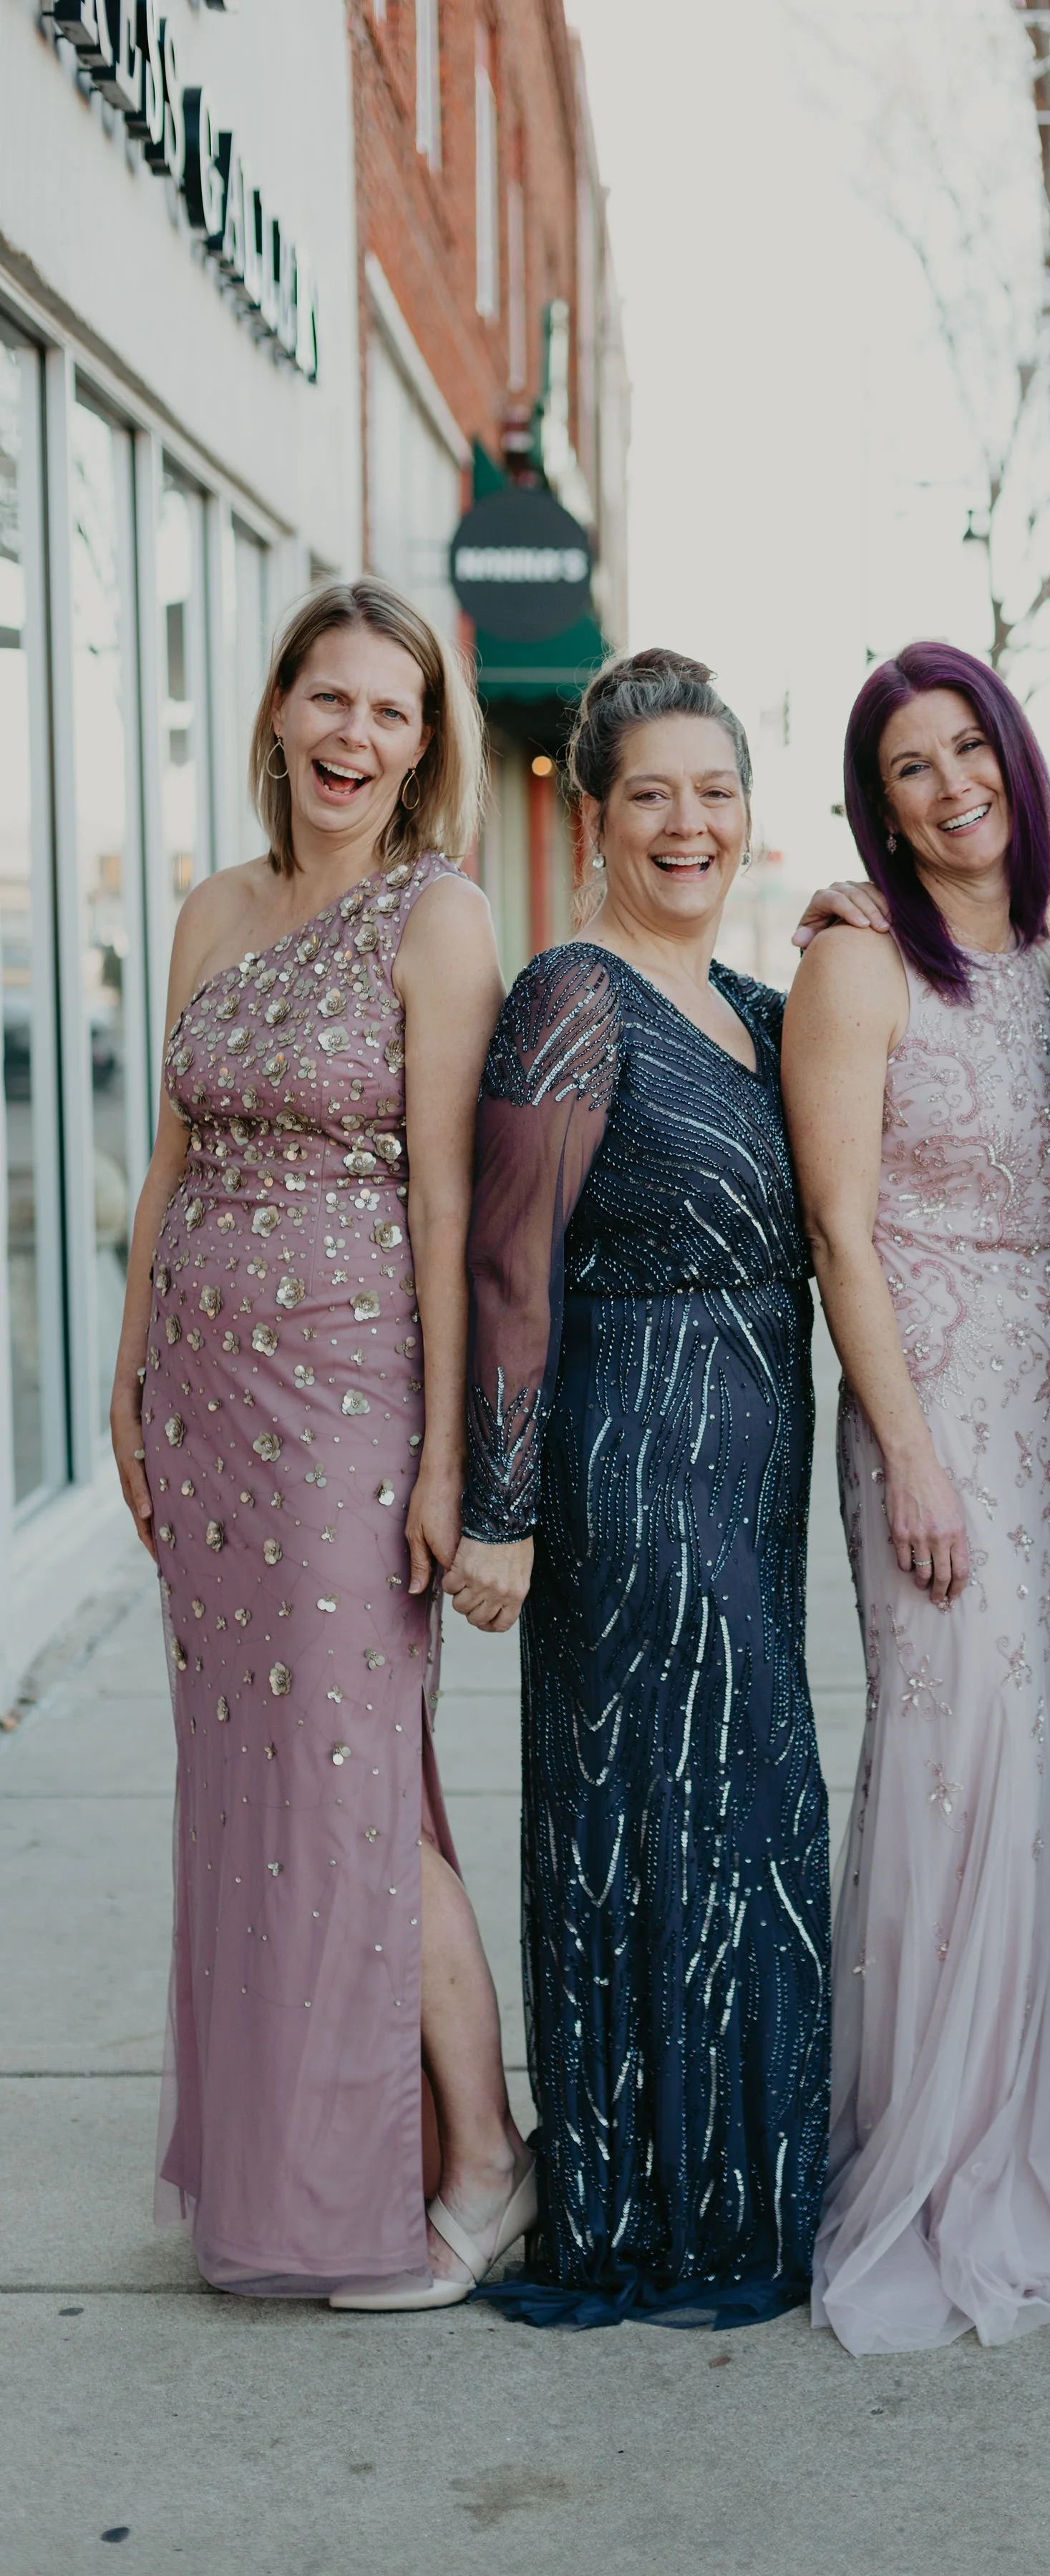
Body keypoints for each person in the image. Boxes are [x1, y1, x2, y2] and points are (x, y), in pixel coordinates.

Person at [112, 578, 532, 2308]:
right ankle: (310, 2167)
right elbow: (166, 1167)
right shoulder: (215, 909)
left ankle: (489, 2161)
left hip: (348, 1412)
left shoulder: (440, 919)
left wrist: (450, 1460)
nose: (356, 736)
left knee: (357, 1795)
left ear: (424, 745)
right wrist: (128, 1375)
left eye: (391, 710)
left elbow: (454, 1205)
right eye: (329, 700)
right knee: (257, 1795)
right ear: (277, 711)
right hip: (205, 1423)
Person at [783, 641, 1050, 2356]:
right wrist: (915, 1450)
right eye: (908, 770)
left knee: (1042, 1766)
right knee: (957, 1754)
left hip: (1045, 1379)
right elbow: (839, 1231)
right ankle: (944, 2158)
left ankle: (1048, 2144)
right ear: (876, 810)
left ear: (1019, 765)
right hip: (927, 1396)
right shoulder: (858, 962)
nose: (950, 789)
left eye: (970, 754)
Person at [449, 648, 829, 2331]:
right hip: (629, 1465)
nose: (691, 824)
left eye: (717, 791)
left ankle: (743, 2191)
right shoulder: (572, 995)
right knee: (649, 1829)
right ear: (592, 816)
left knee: (744, 1823)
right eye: (654, 795)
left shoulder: (754, 1009)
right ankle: (647, 2204)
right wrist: (506, 1504)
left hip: (753, 1470)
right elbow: (508, 1266)